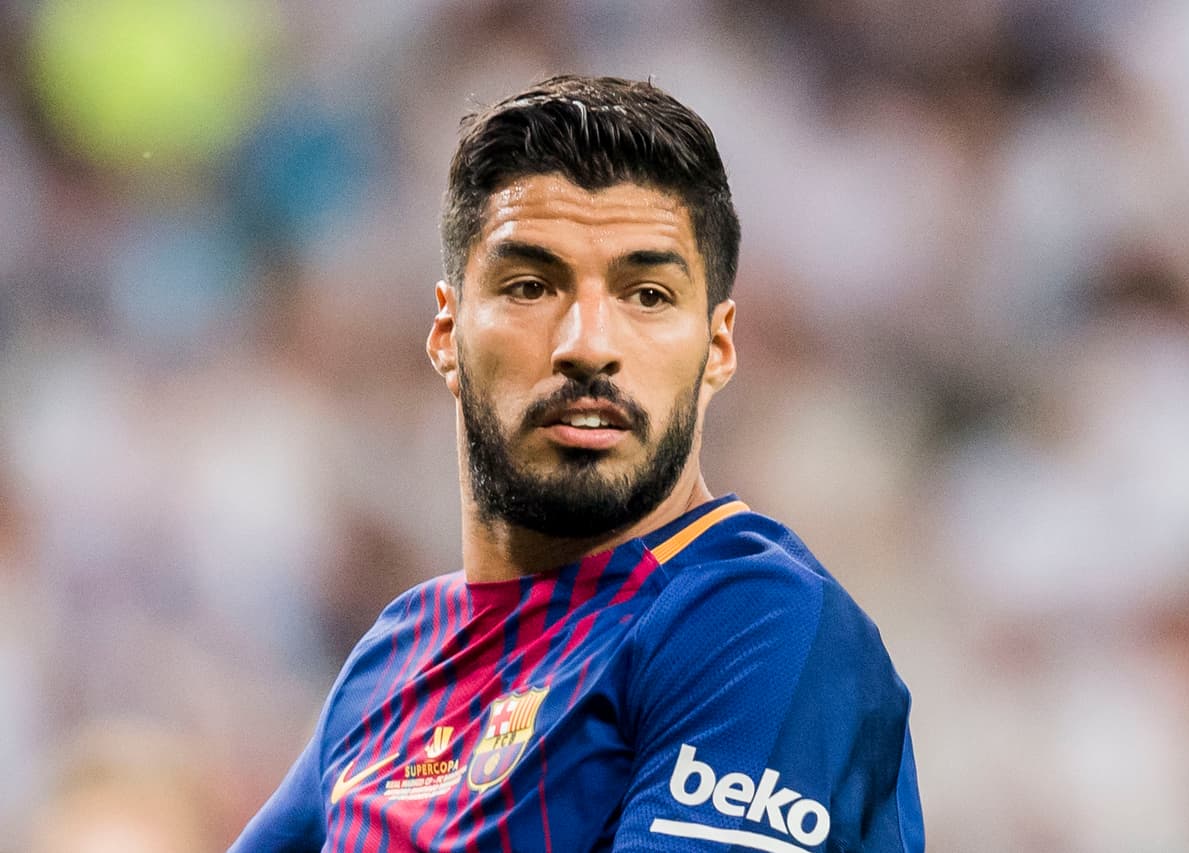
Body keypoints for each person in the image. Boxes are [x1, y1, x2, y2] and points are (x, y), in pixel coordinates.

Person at [232, 74, 924, 853]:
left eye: (648, 294)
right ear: (447, 335)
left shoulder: (753, 623)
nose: (588, 343)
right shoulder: (394, 661)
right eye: (530, 286)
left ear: (718, 348)